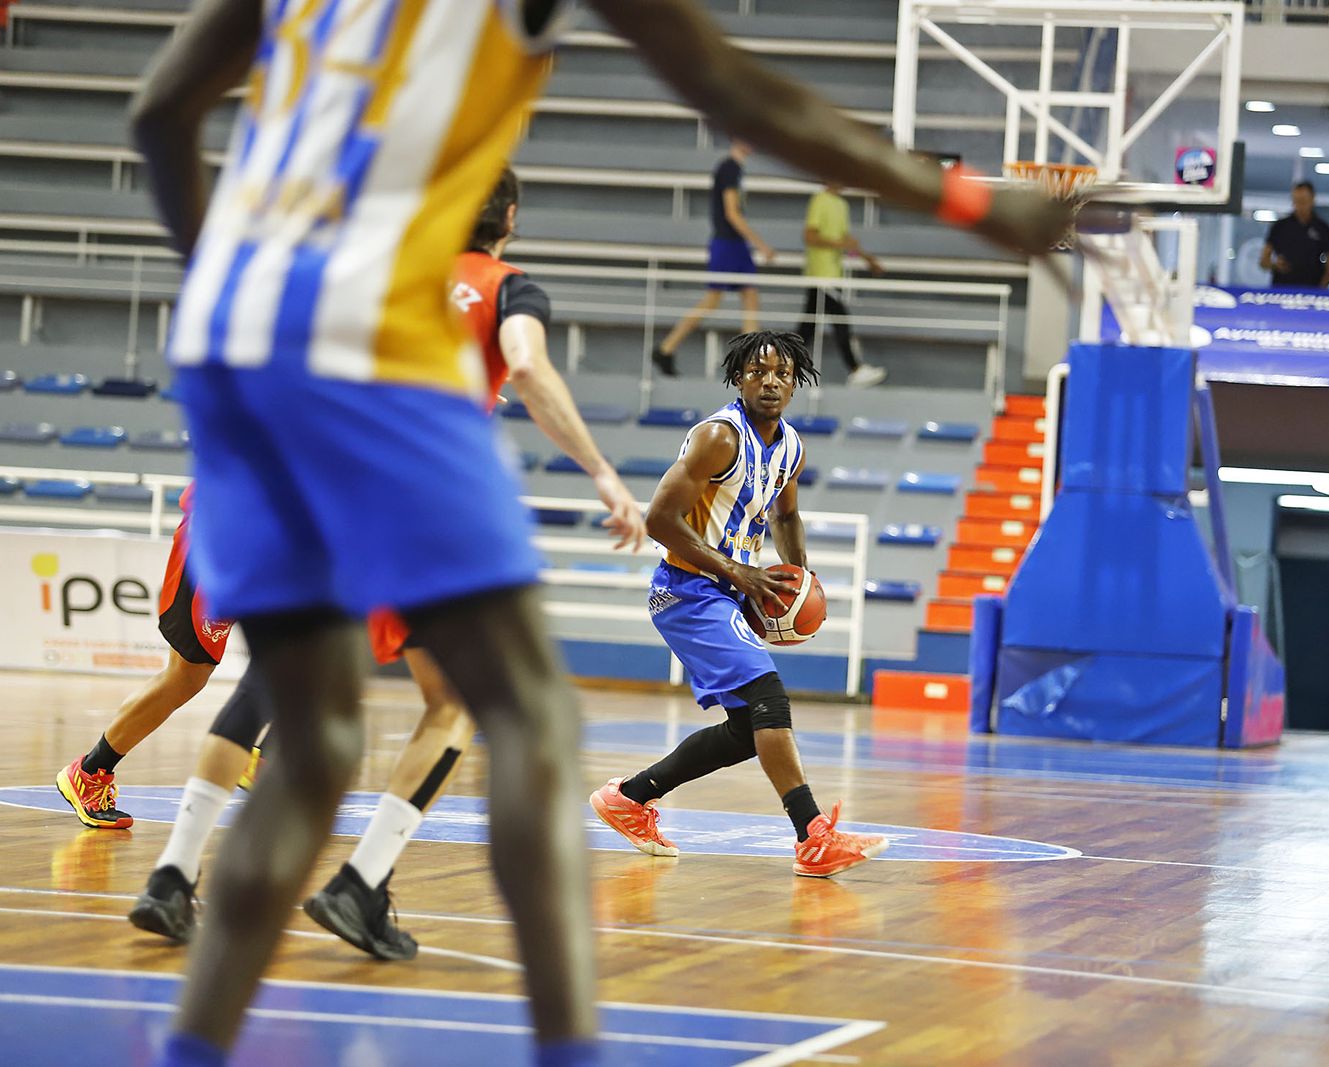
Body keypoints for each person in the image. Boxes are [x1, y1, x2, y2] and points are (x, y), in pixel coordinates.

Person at [130, 0, 1068, 1061]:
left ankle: (194, 1038)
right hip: (376, 351)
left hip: (226, 340)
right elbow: (741, 91)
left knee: (311, 745)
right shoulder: (538, 285)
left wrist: (238, 284)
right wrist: (966, 199)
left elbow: (160, 113)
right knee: (530, 718)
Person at [127, 169, 647, 960]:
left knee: (265, 686)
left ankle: (169, 877)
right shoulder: (510, 288)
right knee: (454, 701)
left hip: (311, 489)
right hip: (409, 512)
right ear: (509, 221)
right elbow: (531, 369)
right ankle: (361, 883)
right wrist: (603, 473)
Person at [591, 330, 887, 877]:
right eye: (757, 371)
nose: (770, 382)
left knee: (746, 730)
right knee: (770, 697)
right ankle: (813, 837)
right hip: (685, 590)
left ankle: (628, 799)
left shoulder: (791, 446)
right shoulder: (718, 438)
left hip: (726, 590)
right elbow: (658, 520)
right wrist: (737, 571)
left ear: (797, 383)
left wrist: (799, 578)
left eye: (782, 374)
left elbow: (786, 515)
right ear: (738, 379)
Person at [54, 484, 241, 830]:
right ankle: (90, 771)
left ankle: (260, 754)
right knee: (186, 675)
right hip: (222, 539)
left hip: (263, 545)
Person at [651, 140, 776, 377]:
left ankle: (751, 359)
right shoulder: (728, 168)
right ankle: (666, 348)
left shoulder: (736, 169)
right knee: (713, 300)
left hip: (736, 243)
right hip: (728, 243)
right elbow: (731, 213)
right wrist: (761, 244)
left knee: (750, 297)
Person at [797, 182, 886, 386]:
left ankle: (779, 363)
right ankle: (855, 368)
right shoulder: (820, 200)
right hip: (820, 274)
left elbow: (845, 240)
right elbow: (810, 236)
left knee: (807, 329)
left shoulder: (841, 205)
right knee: (839, 320)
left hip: (833, 274)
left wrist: (867, 258)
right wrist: (840, 245)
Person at [1259, 181, 1329, 289]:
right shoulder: (1280, 226)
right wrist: (1275, 265)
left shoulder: (1323, 228)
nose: (1300, 205)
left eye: (1304, 200)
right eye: (1297, 201)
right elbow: (1264, 260)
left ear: (1312, 200)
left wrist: (1321, 290)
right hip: (1282, 288)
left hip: (1311, 288)